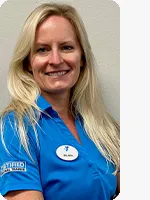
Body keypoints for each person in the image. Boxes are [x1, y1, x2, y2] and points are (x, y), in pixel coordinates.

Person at [0, 3, 120, 200]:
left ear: (82, 58)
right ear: (28, 62)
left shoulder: (104, 127)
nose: (55, 60)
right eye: (42, 50)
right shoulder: (16, 128)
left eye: (66, 47)